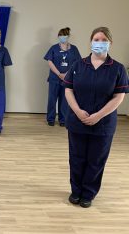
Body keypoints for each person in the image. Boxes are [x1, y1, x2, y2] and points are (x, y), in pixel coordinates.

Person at [63, 26, 128, 208]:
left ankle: (88, 193)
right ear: (90, 42)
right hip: (78, 121)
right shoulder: (78, 65)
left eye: (103, 40)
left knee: (96, 159)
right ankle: (76, 191)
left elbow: (119, 97)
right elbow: (68, 89)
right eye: (96, 39)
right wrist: (76, 110)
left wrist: (98, 115)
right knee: (76, 157)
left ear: (110, 43)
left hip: (103, 124)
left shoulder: (117, 69)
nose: (99, 43)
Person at [44, 27, 81, 127]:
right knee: (52, 99)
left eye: (64, 35)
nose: (62, 37)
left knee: (64, 100)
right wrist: (59, 74)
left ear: (68, 36)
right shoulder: (54, 48)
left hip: (68, 79)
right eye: (60, 35)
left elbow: (77, 63)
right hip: (54, 78)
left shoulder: (74, 49)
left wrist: (67, 74)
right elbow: (49, 61)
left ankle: (63, 119)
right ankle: (50, 119)